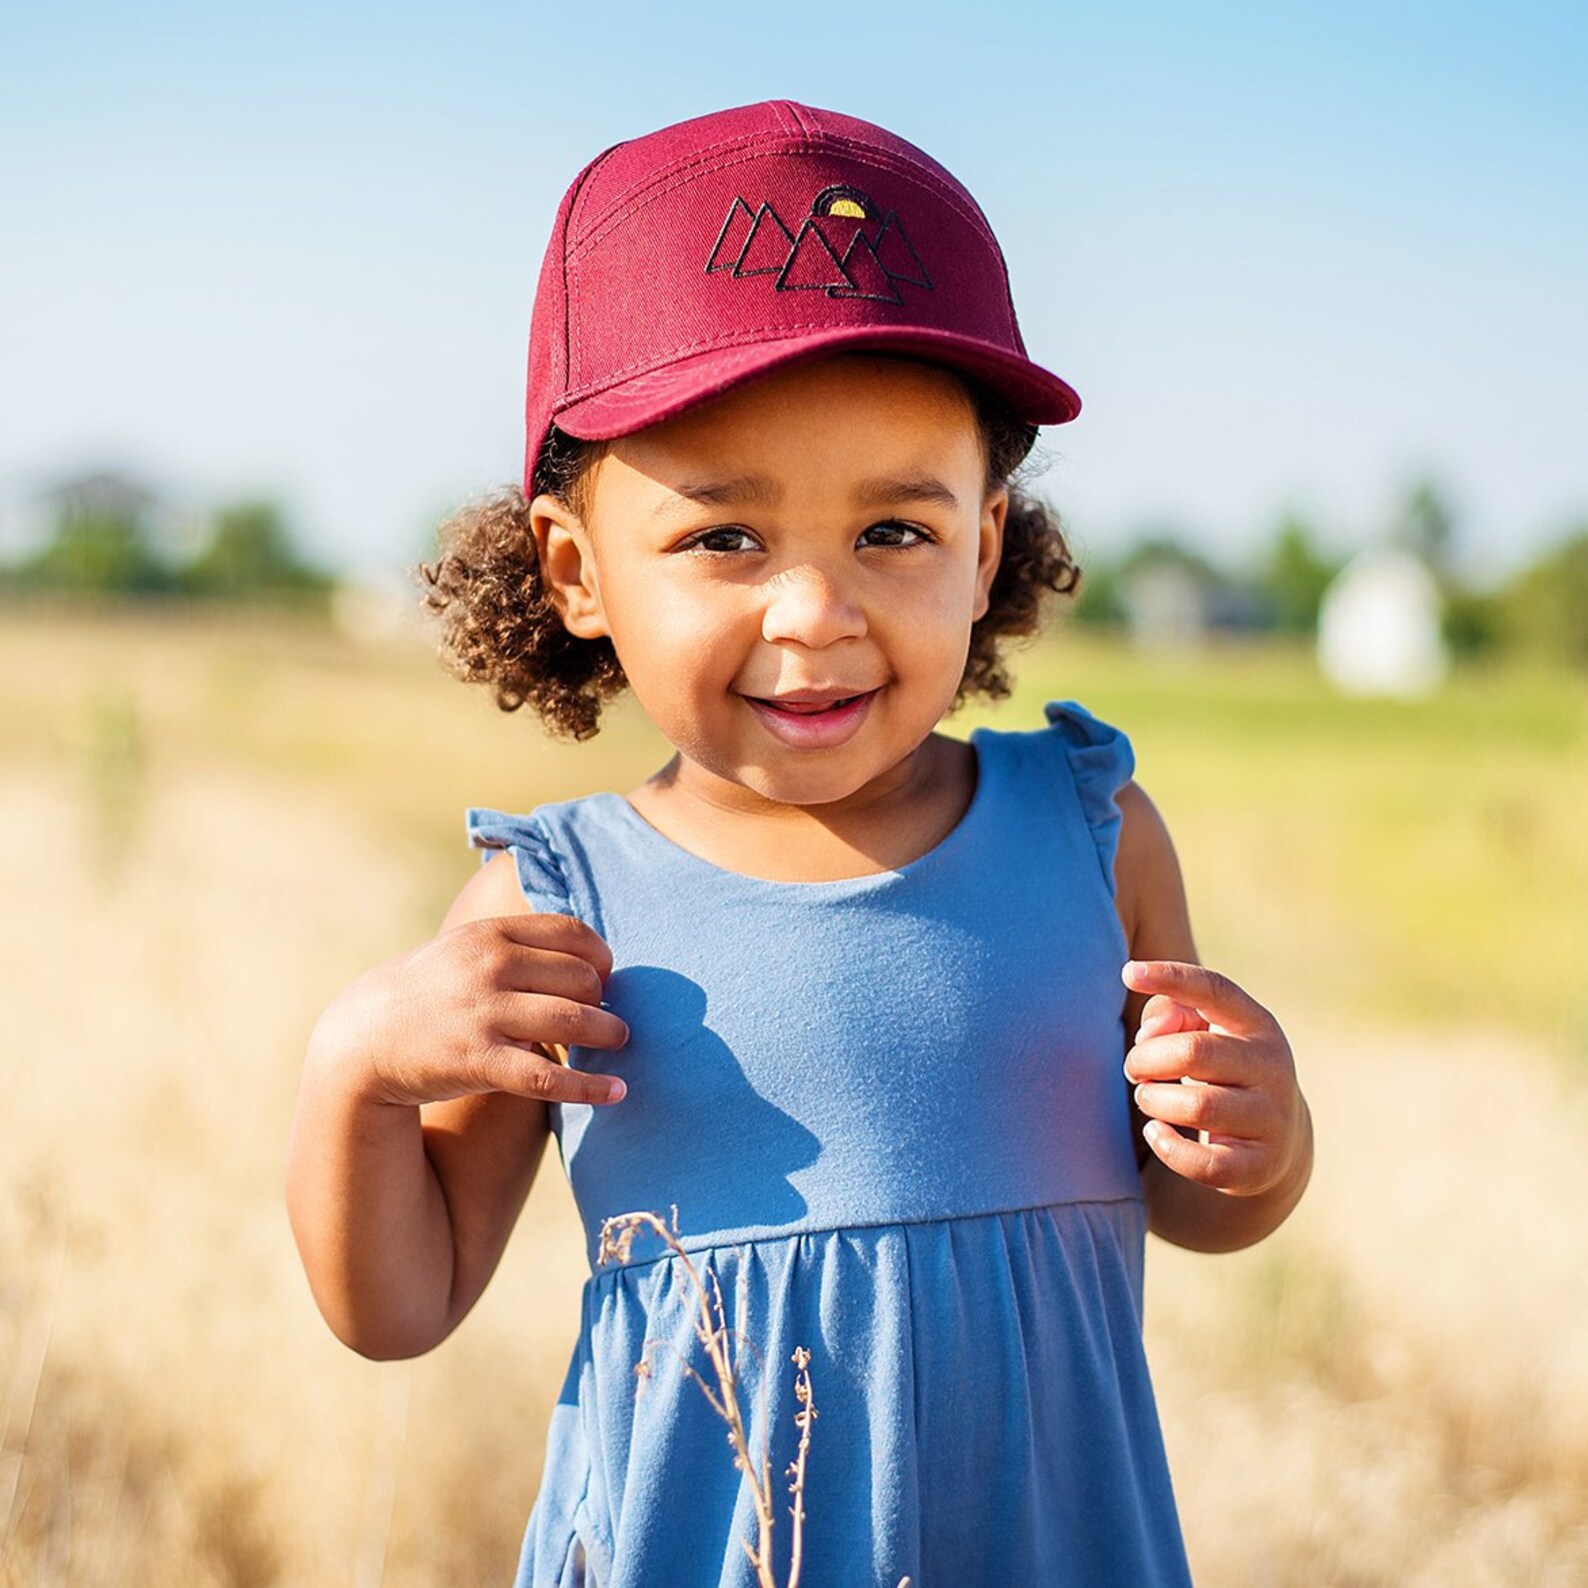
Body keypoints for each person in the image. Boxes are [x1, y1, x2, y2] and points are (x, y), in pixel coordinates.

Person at [285, 99, 1314, 1587]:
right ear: (577, 572)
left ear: (984, 541)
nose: (816, 613)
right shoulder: (558, 901)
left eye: (894, 532)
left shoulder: (1092, 834)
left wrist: (1261, 1145)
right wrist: (354, 1074)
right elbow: (402, 1305)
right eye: (726, 539)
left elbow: (1194, 1204)